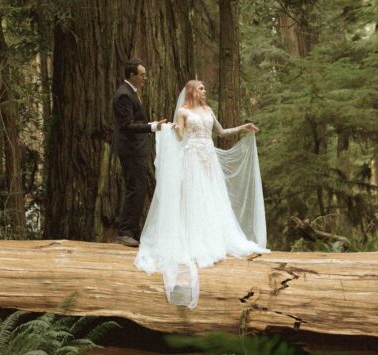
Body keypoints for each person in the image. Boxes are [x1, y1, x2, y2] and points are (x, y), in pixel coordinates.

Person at [135, 79, 267, 308]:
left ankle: (216, 237)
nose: (205, 91)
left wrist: (243, 128)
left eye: (205, 87)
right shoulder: (183, 112)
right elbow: (179, 138)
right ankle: (195, 240)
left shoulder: (208, 110)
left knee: (213, 198)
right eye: (201, 88)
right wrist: (171, 129)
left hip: (209, 160)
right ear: (192, 91)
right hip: (192, 158)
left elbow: (222, 132)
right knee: (195, 199)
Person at [112, 59, 167, 247]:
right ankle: (125, 232)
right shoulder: (124, 95)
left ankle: (132, 231)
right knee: (134, 189)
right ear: (131, 76)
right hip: (130, 150)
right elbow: (126, 125)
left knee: (139, 189)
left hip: (137, 150)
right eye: (142, 74)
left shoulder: (131, 93)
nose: (145, 78)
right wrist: (151, 127)